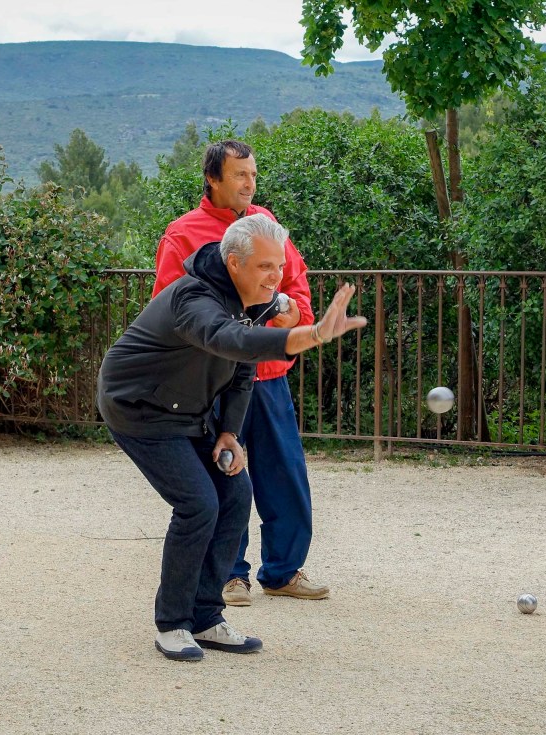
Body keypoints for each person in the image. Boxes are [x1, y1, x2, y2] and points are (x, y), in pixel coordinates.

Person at [99, 214, 364, 660]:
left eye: (278, 267)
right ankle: (172, 623)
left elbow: (244, 372)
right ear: (235, 263)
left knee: (236, 493)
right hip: (139, 408)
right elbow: (231, 341)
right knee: (198, 503)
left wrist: (229, 433)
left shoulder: (250, 300)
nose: (276, 277)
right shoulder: (194, 298)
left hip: (191, 411)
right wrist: (313, 334)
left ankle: (205, 616)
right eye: (265, 267)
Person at [153, 140, 327, 606]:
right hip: (213, 383)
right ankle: (230, 575)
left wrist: (296, 320)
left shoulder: (269, 227)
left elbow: (296, 288)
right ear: (213, 179)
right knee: (225, 474)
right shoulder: (182, 234)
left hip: (267, 375)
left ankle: (284, 570)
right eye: (239, 176)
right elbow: (172, 308)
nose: (249, 184)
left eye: (253, 175)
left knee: (285, 473)